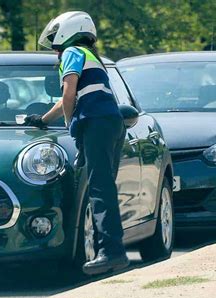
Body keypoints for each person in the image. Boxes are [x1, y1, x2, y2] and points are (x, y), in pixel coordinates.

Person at [25, 11, 129, 275]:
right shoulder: (92, 57)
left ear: (67, 33)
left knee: (99, 190)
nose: (56, 51)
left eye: (56, 44)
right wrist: (43, 118)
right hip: (112, 124)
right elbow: (67, 100)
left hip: (96, 124)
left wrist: (72, 128)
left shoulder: (73, 52)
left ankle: (110, 253)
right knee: (104, 188)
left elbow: (68, 93)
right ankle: (111, 251)